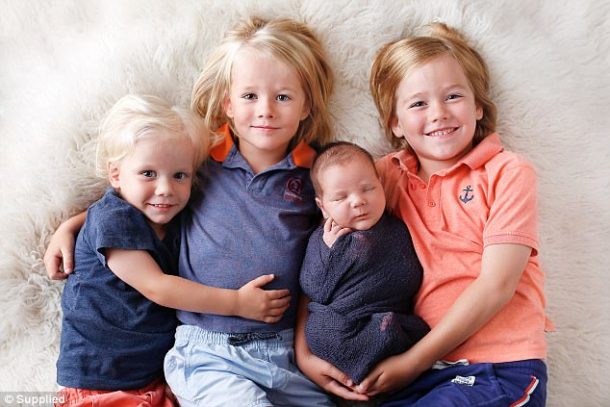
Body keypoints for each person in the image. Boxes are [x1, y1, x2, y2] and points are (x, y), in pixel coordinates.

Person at [45, 17, 344, 406]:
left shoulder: (316, 175)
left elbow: (319, 268)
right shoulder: (201, 161)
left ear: (306, 106)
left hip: (282, 349)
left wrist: (305, 347)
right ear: (228, 105)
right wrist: (72, 225)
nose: (266, 110)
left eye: (283, 97)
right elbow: (143, 200)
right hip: (209, 349)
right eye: (250, 96)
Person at [53, 94, 292, 407]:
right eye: (148, 174)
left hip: (153, 380)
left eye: (179, 175)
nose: (165, 189)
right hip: (99, 381)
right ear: (116, 175)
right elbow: (158, 287)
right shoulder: (113, 219)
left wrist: (71, 224)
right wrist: (237, 303)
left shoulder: (170, 217)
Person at [360, 22, 551, 406]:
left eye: (453, 96)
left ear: (478, 105)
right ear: (395, 122)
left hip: (500, 366)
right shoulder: (382, 178)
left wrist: (413, 361)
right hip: (421, 374)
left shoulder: (507, 172)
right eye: (418, 104)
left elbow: (497, 285)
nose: (439, 113)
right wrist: (307, 355)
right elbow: (327, 252)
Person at [299, 141, 429, 386]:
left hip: (389, 313)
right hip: (343, 322)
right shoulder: (323, 240)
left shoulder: (397, 228)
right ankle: (366, 364)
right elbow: (314, 289)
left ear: (381, 184)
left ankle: (385, 346)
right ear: (323, 207)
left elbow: (408, 274)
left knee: (411, 329)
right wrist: (330, 252)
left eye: (368, 188)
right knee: (319, 331)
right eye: (340, 197)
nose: (358, 201)